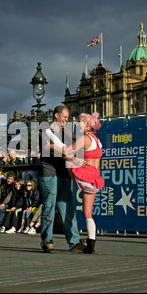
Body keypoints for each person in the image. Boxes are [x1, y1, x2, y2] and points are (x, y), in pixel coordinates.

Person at [39, 105, 86, 253]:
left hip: (62, 174)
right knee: (49, 206)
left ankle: (74, 241)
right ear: (56, 115)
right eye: (65, 117)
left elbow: (77, 139)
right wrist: (68, 155)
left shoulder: (64, 132)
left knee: (67, 207)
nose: (67, 119)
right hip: (49, 172)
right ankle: (47, 240)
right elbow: (48, 148)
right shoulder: (45, 130)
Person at [58, 112, 104, 253]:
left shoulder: (84, 139)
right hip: (95, 177)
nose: (78, 124)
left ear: (88, 125)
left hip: (85, 176)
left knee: (67, 158)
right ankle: (91, 243)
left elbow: (66, 152)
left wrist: (56, 147)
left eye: (80, 122)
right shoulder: (97, 140)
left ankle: (90, 244)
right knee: (88, 213)